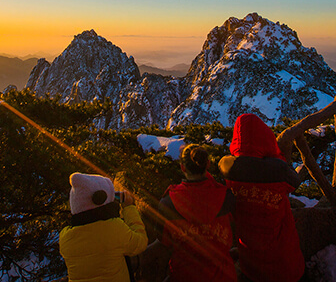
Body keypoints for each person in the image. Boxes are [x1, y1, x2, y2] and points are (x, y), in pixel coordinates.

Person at [219, 113, 304, 282]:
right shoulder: (278, 171)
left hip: (250, 264)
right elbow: (295, 182)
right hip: (284, 264)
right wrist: (275, 157)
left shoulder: (229, 170)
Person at [156, 144, 237, 282]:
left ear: (182, 168)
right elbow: (235, 231)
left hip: (183, 276)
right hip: (223, 276)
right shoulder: (226, 197)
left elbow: (163, 239)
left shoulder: (168, 203)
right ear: (208, 165)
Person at [59, 172, 148, 282]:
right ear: (100, 199)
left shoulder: (65, 237)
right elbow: (140, 242)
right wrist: (129, 207)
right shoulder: (114, 228)